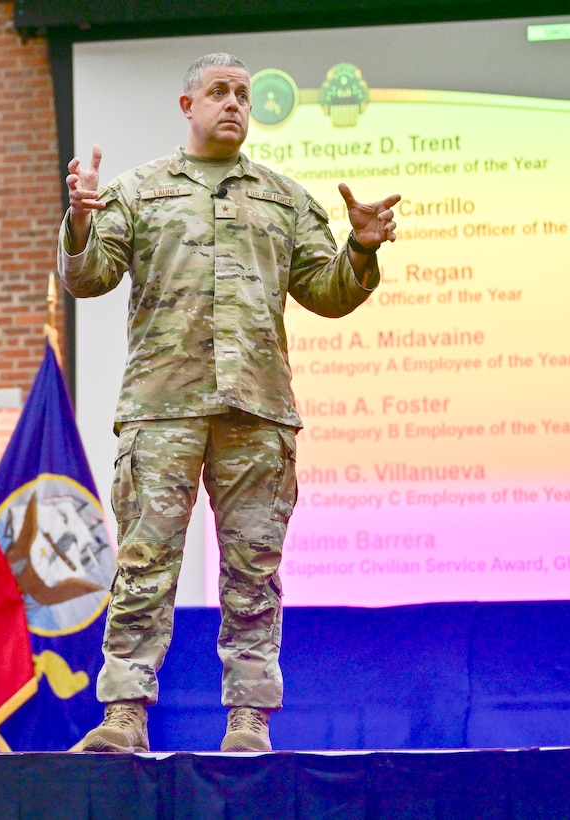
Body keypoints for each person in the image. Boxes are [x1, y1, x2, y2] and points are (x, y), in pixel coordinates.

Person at [58, 52, 399, 753]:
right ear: (188, 106)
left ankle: (247, 718)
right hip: (162, 411)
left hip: (257, 413)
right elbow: (89, 280)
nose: (234, 104)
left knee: (253, 571)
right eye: (218, 92)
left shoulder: (285, 199)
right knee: (145, 564)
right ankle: (124, 712)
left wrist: (361, 251)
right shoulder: (137, 191)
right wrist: (80, 224)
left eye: (242, 94)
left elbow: (328, 293)